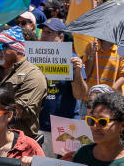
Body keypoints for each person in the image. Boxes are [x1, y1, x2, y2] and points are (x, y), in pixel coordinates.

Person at [0, 26, 47, 139]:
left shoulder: (33, 75)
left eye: (2, 46)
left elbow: (20, 111)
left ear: (17, 49)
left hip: (19, 143)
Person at [37, 18, 88, 155]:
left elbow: (80, 95)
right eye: (43, 32)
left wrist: (77, 71)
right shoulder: (34, 56)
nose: (44, 35)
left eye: (49, 33)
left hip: (68, 125)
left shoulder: (72, 58)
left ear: (60, 37)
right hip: (42, 125)